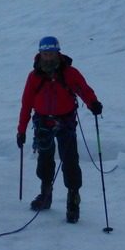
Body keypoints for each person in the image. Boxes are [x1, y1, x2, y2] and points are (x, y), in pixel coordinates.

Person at [16, 36, 103, 223]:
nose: (48, 57)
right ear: (40, 54)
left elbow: (83, 89)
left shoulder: (70, 73)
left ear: (58, 53)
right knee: (45, 161)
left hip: (66, 122)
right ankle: (45, 194)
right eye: (45, 54)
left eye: (52, 53)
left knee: (70, 161)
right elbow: (26, 105)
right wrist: (21, 130)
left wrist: (93, 103)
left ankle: (73, 200)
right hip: (43, 124)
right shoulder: (33, 77)